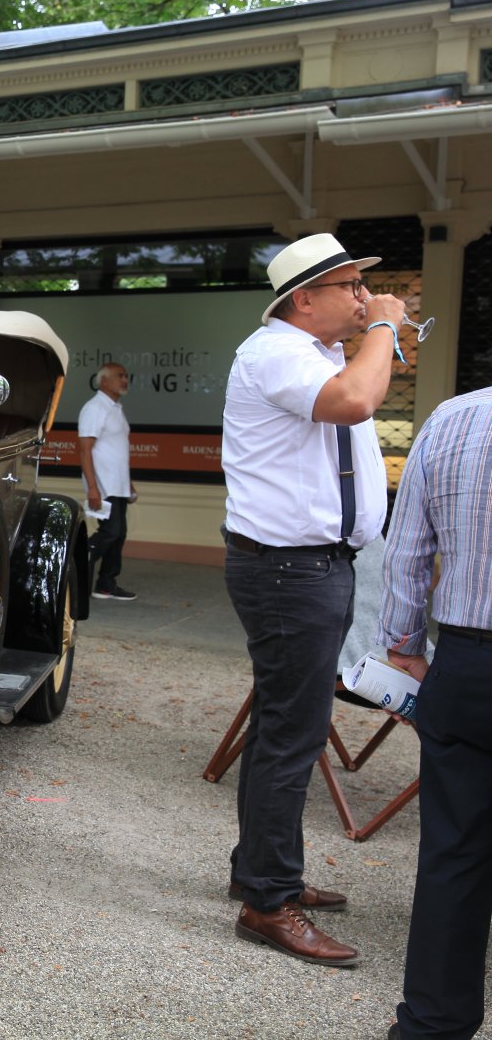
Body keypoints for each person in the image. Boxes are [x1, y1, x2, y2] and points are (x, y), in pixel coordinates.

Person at [220, 232, 405, 967]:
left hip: (308, 566)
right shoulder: (277, 353)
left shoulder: (316, 353)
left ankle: (263, 874)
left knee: (282, 725)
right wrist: (385, 324)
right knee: (293, 734)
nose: (364, 297)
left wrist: (372, 332)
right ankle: (269, 902)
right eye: (351, 286)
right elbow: (357, 401)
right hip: (290, 571)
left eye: (365, 287)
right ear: (305, 297)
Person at [378, 386, 492, 1040]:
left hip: (467, 663)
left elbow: (406, 549)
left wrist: (403, 646)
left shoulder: (453, 418)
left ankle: (430, 1027)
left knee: (453, 852)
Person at [77, 362, 137, 601]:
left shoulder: (116, 408)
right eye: (120, 375)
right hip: (102, 485)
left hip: (118, 484)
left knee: (119, 534)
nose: (125, 380)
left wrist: (128, 483)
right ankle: (77, 561)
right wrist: (92, 488)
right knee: (110, 532)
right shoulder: (95, 408)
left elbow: (117, 449)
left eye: (126, 376)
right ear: (103, 381)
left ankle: (106, 584)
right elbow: (84, 450)